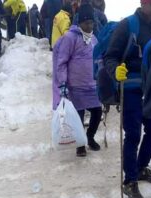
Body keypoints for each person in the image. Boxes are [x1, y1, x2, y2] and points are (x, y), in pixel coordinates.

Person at [103, 0, 151, 198]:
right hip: (129, 87)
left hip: (150, 89)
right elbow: (110, 56)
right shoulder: (127, 25)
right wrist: (116, 72)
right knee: (133, 134)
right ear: (143, 2)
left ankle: (140, 168)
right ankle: (129, 181)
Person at [53, 4, 102, 157]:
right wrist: (62, 83)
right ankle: (80, 145)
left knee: (97, 112)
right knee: (78, 117)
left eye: (92, 23)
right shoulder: (69, 37)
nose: (89, 26)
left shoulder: (93, 39)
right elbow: (62, 62)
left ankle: (90, 137)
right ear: (79, 22)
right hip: (76, 86)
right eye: (86, 23)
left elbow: (98, 60)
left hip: (92, 85)